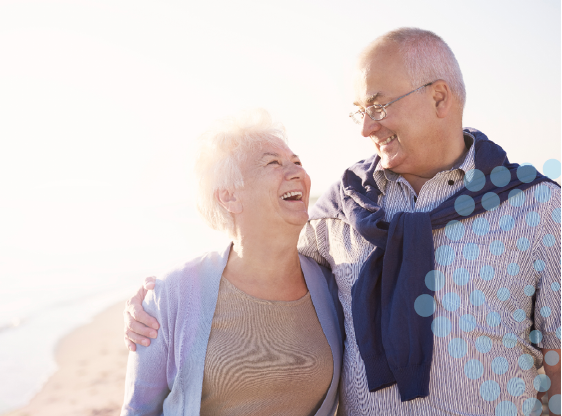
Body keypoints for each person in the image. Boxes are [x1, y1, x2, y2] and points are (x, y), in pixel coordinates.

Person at [124, 28, 561, 415]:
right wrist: (157, 300)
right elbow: (259, 252)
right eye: (359, 111)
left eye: (378, 105)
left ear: (440, 97)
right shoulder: (342, 205)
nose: (366, 127)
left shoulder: (536, 208)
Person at [121, 109, 343, 416]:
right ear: (228, 197)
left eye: (297, 162)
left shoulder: (333, 286)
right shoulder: (170, 295)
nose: (296, 173)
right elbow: (139, 409)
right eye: (273, 163)